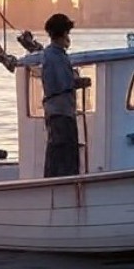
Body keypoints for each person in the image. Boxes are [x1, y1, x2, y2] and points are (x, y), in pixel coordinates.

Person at [39, 13, 90, 177]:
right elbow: (64, 84)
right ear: (62, 34)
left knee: (57, 153)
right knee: (64, 156)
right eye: (67, 33)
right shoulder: (56, 56)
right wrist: (83, 82)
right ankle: (63, 186)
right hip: (61, 114)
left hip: (58, 112)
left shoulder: (52, 54)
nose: (68, 37)